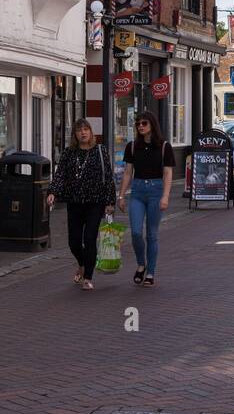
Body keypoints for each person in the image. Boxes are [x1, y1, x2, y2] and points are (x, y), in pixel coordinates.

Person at [47, 118, 116, 292]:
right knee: (74, 242)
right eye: (79, 130)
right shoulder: (68, 153)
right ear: (75, 134)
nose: (83, 132)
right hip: (75, 202)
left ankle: (88, 278)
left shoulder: (100, 151)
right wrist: (52, 192)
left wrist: (110, 202)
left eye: (86, 129)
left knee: (89, 239)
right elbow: (60, 174)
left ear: (91, 132)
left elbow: (108, 178)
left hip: (95, 202)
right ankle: (82, 264)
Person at [118, 110, 175, 286]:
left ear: (152, 125)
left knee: (151, 234)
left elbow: (168, 173)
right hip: (138, 190)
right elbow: (128, 172)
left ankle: (150, 272)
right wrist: (121, 195)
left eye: (144, 123)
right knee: (135, 232)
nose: (140, 126)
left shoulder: (164, 146)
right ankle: (141, 264)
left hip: (156, 191)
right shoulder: (132, 146)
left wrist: (165, 196)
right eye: (138, 124)